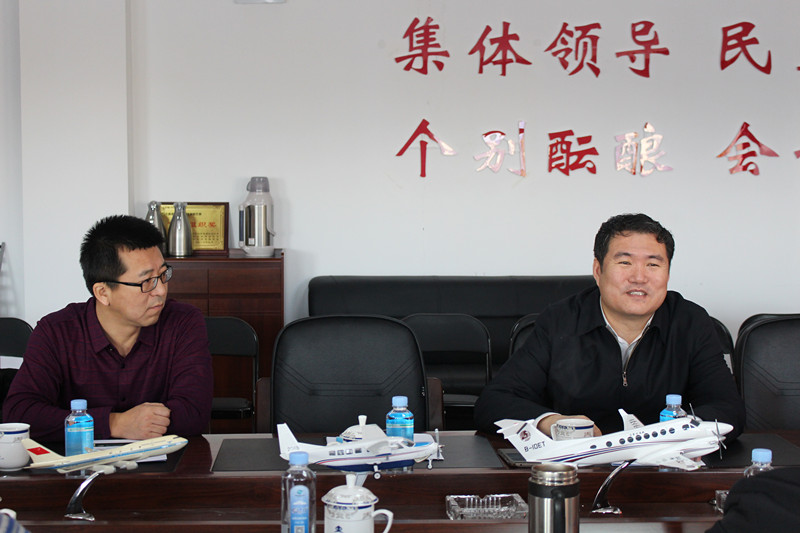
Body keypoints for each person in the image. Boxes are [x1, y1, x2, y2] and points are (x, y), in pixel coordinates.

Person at [474, 213, 745, 440]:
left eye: (653, 264)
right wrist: (550, 422)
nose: (639, 277)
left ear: (667, 274)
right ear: (598, 270)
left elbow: (728, 409)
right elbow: (493, 402)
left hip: (663, 465)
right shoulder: (560, 321)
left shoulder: (690, 322)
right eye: (625, 262)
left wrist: (669, 433)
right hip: (577, 468)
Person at [3, 215, 213, 441]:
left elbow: (194, 413)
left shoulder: (183, 323)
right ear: (103, 293)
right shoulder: (56, 332)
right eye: (146, 281)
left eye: (163, 274)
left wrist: (78, 423)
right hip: (77, 461)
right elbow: (20, 414)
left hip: (166, 462)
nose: (161, 290)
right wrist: (114, 424)